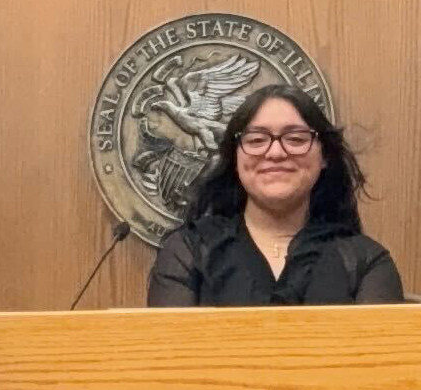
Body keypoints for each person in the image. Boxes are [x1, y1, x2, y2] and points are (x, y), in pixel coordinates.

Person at [147, 89, 404, 306]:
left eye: (295, 138)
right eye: (257, 139)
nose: (276, 153)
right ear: (235, 158)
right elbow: (169, 359)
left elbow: (375, 363)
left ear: (324, 156)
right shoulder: (187, 252)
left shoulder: (366, 261)